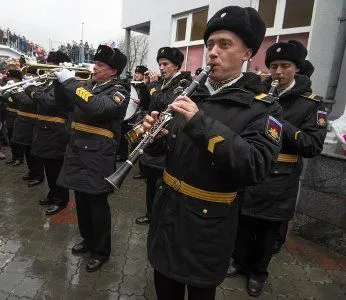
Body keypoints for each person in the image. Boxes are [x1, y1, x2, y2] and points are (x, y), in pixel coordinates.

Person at [141, 6, 283, 300]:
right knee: (164, 289)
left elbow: (255, 166)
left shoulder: (263, 108)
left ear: (247, 53)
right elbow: (172, 149)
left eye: (224, 45)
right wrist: (155, 138)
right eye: (209, 45)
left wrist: (200, 123)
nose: (212, 52)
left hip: (208, 224)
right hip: (167, 214)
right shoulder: (191, 92)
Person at [229, 40, 327, 297]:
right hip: (252, 170)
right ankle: (238, 262)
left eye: (285, 66)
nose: (278, 72)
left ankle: (258, 273)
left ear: (297, 68)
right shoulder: (259, 93)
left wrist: (279, 121)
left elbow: (312, 145)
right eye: (274, 66)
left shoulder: (312, 103)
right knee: (243, 222)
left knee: (267, 230)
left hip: (280, 178)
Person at [54, 45, 129, 272]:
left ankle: (101, 250)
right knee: (82, 203)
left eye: (100, 65)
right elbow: (64, 106)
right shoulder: (88, 86)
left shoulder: (119, 91)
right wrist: (60, 83)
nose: (94, 67)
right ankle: (88, 240)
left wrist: (70, 82)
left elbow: (97, 108)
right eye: (95, 63)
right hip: (77, 149)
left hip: (98, 155)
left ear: (113, 71)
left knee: (97, 205)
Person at [135, 47, 192, 226]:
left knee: (162, 183)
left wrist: (152, 87)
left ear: (176, 66)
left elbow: (167, 105)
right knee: (151, 181)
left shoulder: (183, 83)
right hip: (156, 138)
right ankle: (150, 213)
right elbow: (148, 105)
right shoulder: (164, 83)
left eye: (165, 64)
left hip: (170, 139)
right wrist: (145, 88)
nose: (161, 68)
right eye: (160, 64)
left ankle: (159, 216)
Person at [25, 51, 71, 215]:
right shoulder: (49, 83)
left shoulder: (63, 84)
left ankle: (61, 200)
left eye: (49, 65)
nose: (46, 69)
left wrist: (31, 90)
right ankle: (53, 194)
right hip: (44, 129)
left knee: (56, 168)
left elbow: (50, 102)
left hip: (55, 130)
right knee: (48, 167)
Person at [11, 70, 44, 187]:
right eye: (30, 75)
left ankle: (39, 175)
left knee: (34, 152)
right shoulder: (30, 88)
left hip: (33, 124)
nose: (30, 77)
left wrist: (16, 92)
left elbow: (26, 101)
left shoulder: (40, 88)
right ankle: (32, 172)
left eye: (33, 75)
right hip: (25, 123)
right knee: (27, 150)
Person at [1, 69, 24, 165]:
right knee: (11, 138)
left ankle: (20, 157)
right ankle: (14, 156)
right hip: (9, 115)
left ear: (17, 79)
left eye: (12, 78)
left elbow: (17, 101)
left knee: (17, 138)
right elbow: (3, 98)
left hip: (18, 115)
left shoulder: (22, 87)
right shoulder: (9, 86)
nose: (10, 80)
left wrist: (10, 92)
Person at [130, 65, 149, 180]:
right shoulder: (136, 84)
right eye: (135, 73)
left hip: (145, 114)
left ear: (143, 75)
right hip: (139, 114)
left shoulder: (146, 85)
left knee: (142, 140)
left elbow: (147, 101)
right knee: (135, 138)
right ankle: (134, 160)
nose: (136, 75)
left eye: (138, 73)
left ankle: (143, 170)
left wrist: (140, 101)